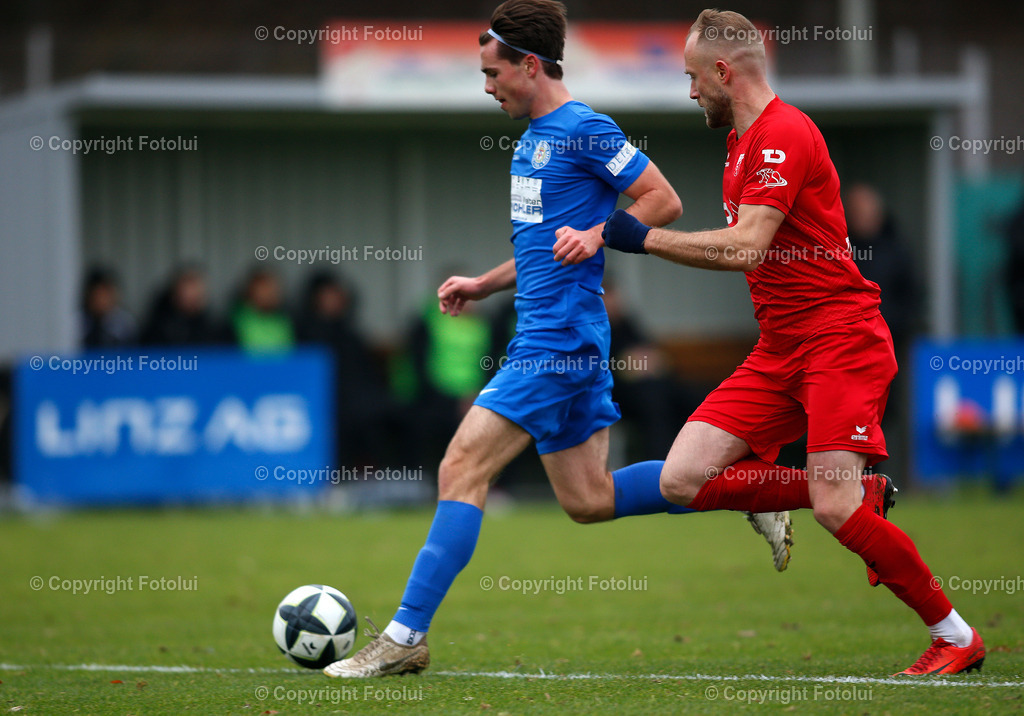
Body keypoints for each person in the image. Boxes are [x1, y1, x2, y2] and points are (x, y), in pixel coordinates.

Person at [324, 0, 792, 679]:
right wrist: (484, 283)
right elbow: (549, 247)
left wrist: (602, 234)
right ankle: (758, 492)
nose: (488, 87)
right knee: (588, 500)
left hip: (558, 343)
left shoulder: (584, 129)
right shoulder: (531, 139)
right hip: (550, 335)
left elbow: (663, 199)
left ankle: (404, 636)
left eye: (494, 74)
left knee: (460, 469)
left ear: (531, 65)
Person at [590, 9, 984, 676]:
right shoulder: (740, 146)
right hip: (780, 348)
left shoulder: (782, 135)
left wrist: (644, 238)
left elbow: (746, 249)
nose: (689, 93)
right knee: (683, 478)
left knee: (835, 506)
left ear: (723, 71)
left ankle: (955, 634)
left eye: (692, 78)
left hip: (839, 337)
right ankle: (846, 493)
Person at [140, 264, 225, 346]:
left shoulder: (212, 326)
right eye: (189, 286)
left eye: (197, 287)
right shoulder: (158, 327)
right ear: (175, 291)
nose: (194, 293)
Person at [229, 268, 294, 354]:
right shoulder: (236, 321)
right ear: (251, 290)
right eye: (263, 288)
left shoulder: (284, 320)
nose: (268, 293)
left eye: (271, 288)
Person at [80, 267, 136, 348]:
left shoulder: (125, 324)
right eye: (97, 294)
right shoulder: (77, 323)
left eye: (106, 294)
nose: (101, 299)